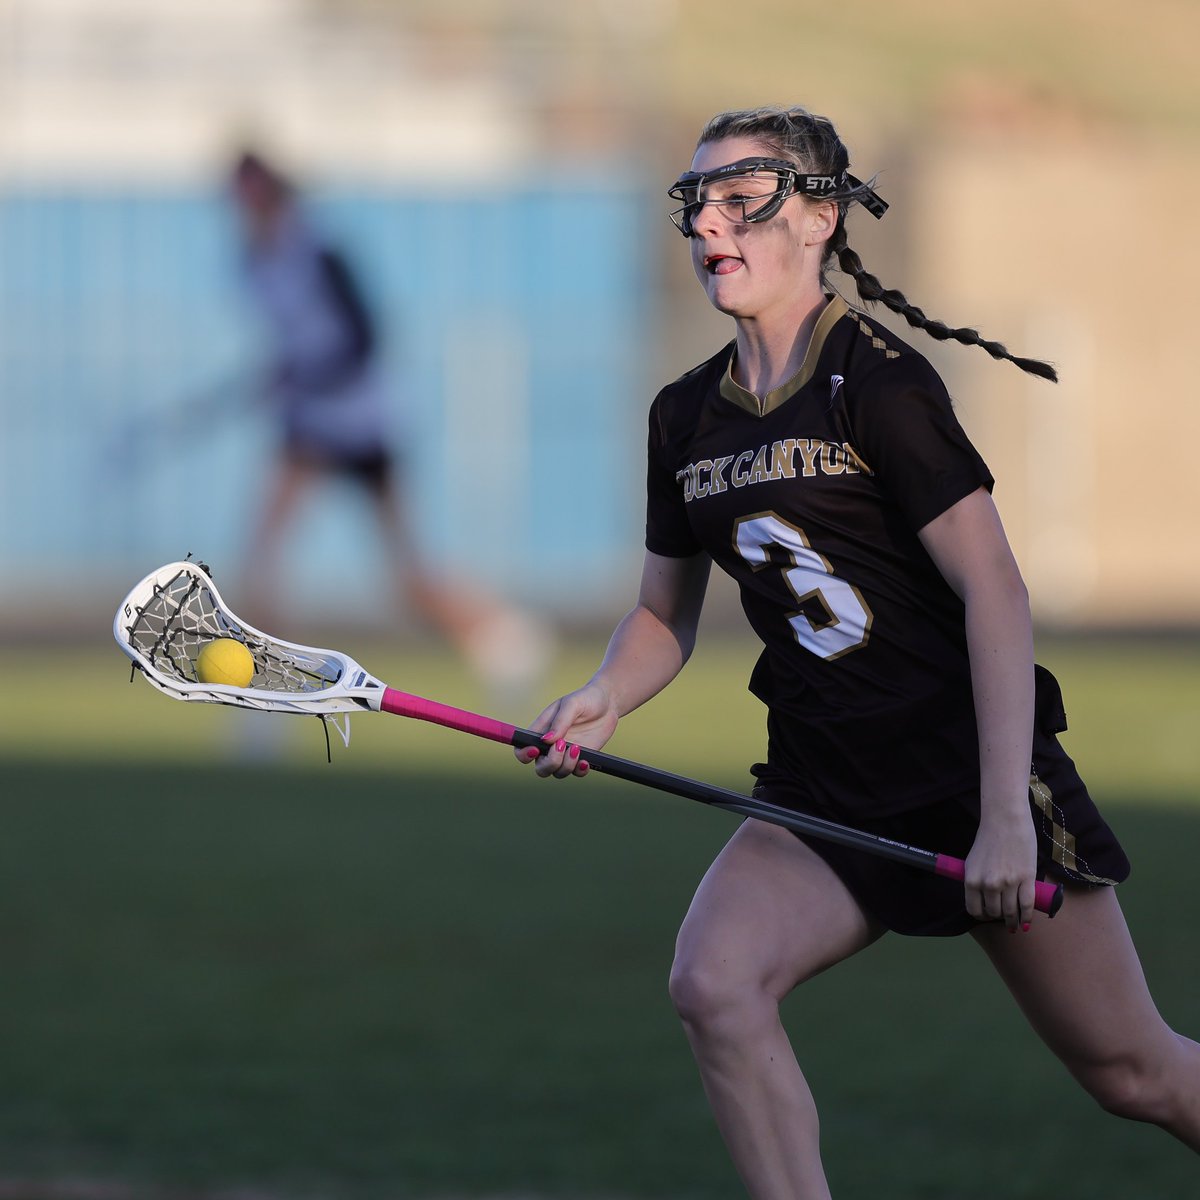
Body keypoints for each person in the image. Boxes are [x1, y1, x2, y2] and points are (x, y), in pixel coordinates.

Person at [516, 106, 1199, 1197]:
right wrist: (603, 696)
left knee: (1135, 1074)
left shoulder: (878, 384)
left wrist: (1006, 817)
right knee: (715, 984)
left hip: (970, 780)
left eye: (746, 200)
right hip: (824, 790)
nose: (712, 228)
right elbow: (662, 614)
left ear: (823, 216)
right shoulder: (683, 415)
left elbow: (997, 589)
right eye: (698, 203)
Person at [229, 150, 543, 694]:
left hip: (359, 423)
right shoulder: (251, 262)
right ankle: (269, 686)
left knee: (405, 579)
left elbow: (364, 337)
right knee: (263, 557)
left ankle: (499, 632)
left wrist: (309, 375)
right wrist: (285, 375)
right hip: (307, 426)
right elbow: (294, 342)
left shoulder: (318, 251)